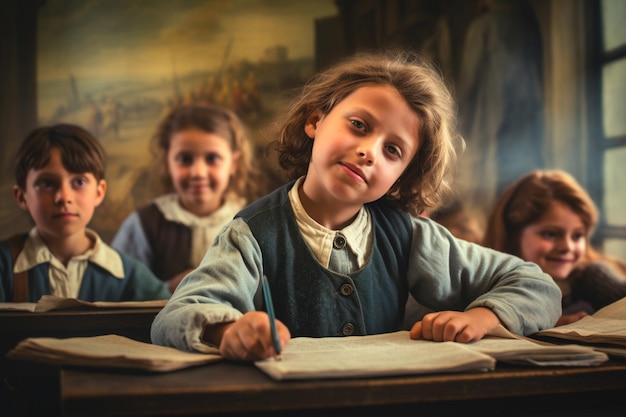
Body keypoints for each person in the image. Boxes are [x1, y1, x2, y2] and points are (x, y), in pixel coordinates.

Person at [151, 49, 561, 361]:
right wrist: (230, 333)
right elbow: (175, 316)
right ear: (315, 121)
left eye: (393, 150)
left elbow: (537, 286)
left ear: (403, 175)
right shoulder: (251, 235)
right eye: (359, 126)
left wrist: (482, 318)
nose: (369, 152)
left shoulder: (411, 235)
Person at [0, 123, 171, 302]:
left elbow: (169, 316)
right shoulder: (4, 266)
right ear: (22, 197)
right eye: (47, 183)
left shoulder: (129, 275)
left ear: (99, 192)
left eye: (79, 182)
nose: (64, 197)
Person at [111, 104, 264, 293]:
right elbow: (115, 290)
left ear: (233, 163)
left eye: (212, 159)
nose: (198, 172)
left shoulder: (253, 223)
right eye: (184, 159)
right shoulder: (142, 225)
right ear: (168, 161)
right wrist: (165, 289)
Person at [483, 169, 626, 326]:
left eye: (577, 236)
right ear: (513, 234)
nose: (567, 247)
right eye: (550, 234)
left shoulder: (591, 278)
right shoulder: (488, 281)